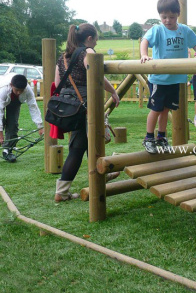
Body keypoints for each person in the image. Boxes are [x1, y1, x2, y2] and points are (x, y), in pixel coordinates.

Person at [54, 23, 120, 203]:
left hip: (70, 107)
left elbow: (57, 82)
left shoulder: (63, 58)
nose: (96, 44)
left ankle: (62, 190)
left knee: (79, 146)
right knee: (91, 142)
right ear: (89, 38)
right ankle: (101, 177)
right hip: (86, 104)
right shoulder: (88, 53)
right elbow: (98, 74)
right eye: (96, 40)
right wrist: (113, 91)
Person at [140, 0, 196, 152]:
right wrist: (143, 54)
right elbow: (145, 41)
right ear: (159, 16)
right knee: (156, 109)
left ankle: (161, 137)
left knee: (166, 109)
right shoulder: (157, 30)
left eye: (171, 17)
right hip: (159, 79)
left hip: (176, 79)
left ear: (178, 15)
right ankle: (149, 137)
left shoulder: (184, 30)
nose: (167, 20)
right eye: (164, 17)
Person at [0, 74, 44, 162]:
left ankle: (8, 150)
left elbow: (33, 107)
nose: (19, 92)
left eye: (21, 90)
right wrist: (0, 133)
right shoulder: (3, 90)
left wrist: (40, 126)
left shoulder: (28, 90)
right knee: (1, 122)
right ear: (11, 85)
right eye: (17, 90)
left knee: (13, 125)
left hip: (15, 102)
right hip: (2, 99)